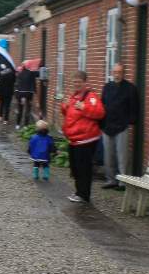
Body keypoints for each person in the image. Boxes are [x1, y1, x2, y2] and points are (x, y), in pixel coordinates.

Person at [59, 70, 104, 203]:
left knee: (83, 168)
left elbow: (100, 113)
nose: (76, 84)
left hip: (86, 139)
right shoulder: (75, 96)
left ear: (85, 82)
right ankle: (79, 191)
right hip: (74, 139)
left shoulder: (91, 97)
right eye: (74, 82)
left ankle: (84, 194)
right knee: (75, 168)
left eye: (78, 82)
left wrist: (84, 107)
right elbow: (69, 114)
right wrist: (64, 106)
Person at [100, 63, 140, 191]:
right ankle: (111, 179)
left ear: (124, 73)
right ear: (112, 73)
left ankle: (122, 182)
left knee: (122, 156)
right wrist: (101, 123)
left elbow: (135, 107)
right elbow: (102, 105)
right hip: (107, 125)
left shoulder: (131, 88)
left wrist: (130, 121)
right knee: (108, 155)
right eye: (115, 72)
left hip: (122, 126)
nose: (117, 75)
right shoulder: (107, 87)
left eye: (120, 72)